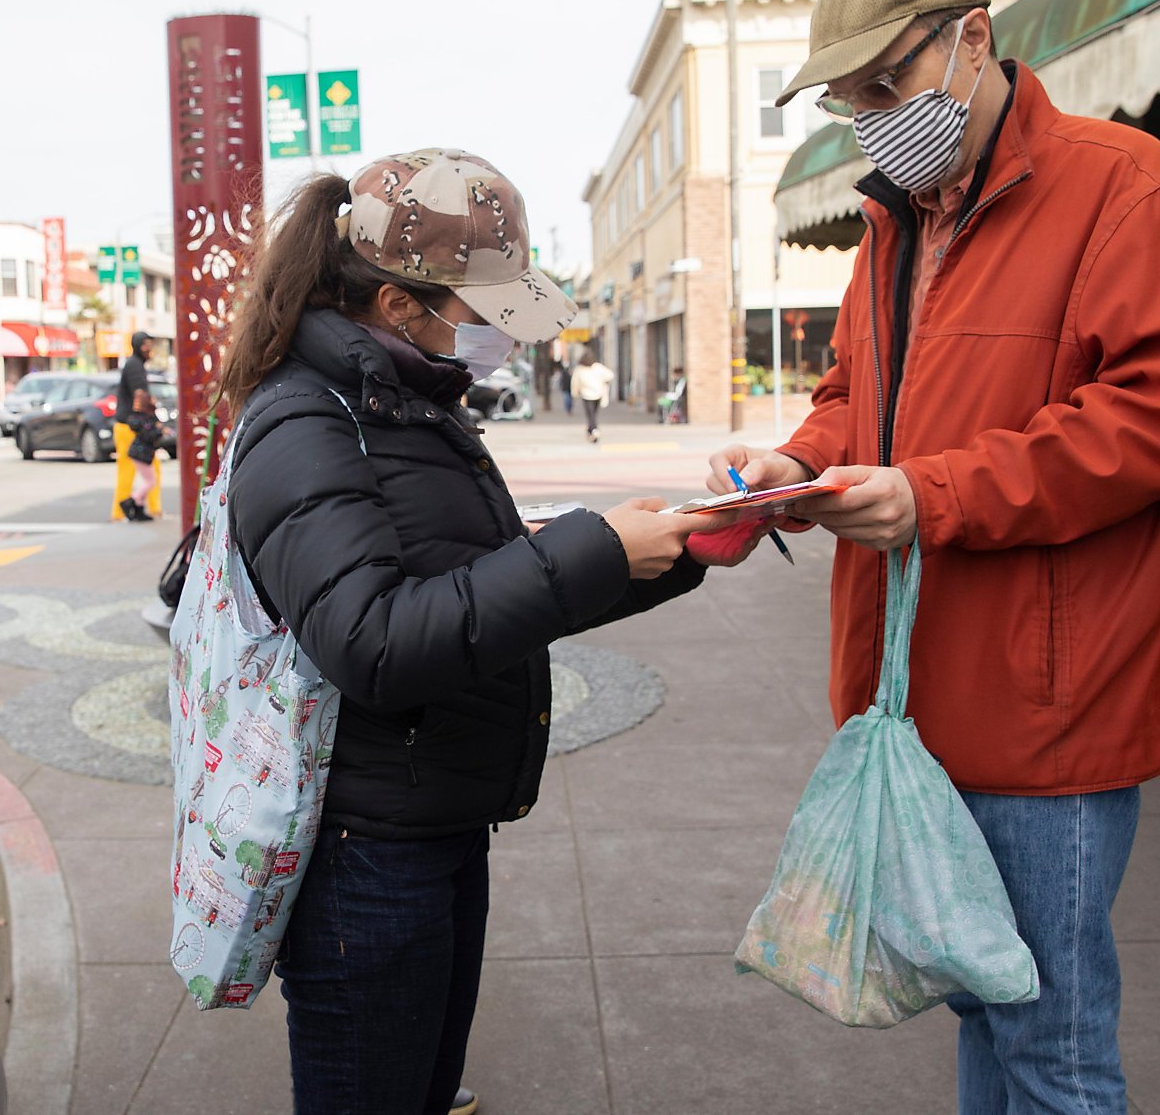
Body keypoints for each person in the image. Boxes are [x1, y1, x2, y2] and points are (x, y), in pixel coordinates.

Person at [709, 0, 1160, 1114]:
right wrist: (789, 463)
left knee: (1047, 1045)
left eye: (883, 86)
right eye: (847, 100)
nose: (866, 118)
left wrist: (931, 494)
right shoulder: (898, 222)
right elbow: (857, 396)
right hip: (914, 690)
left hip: (1055, 699)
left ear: (972, 38)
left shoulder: (1130, 188)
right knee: (986, 1013)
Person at [214, 148, 762, 1115]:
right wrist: (590, 550)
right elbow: (374, 641)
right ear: (397, 308)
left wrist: (673, 550)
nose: (504, 336)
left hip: (432, 827)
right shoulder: (307, 423)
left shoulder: (405, 404)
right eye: (488, 312)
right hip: (364, 857)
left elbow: (487, 590)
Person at [117, 330, 166, 521]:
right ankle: (132, 508)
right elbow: (141, 397)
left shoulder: (134, 364)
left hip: (128, 424)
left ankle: (143, 507)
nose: (150, 349)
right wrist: (154, 422)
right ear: (138, 346)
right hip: (131, 426)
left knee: (137, 470)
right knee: (137, 470)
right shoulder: (135, 366)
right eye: (146, 345)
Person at [571, 346, 613, 442]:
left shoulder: (580, 369)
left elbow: (575, 382)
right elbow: (610, 375)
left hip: (586, 395)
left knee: (590, 414)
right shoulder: (597, 367)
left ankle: (593, 430)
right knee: (593, 413)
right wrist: (604, 382)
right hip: (597, 393)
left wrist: (575, 393)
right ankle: (592, 430)